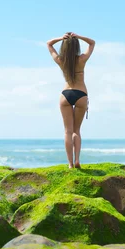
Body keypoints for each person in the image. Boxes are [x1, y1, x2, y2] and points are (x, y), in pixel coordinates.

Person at [47, 32, 95, 169]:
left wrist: (61, 38)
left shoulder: (61, 61)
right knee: (76, 131)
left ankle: (70, 164)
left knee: (67, 131)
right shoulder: (82, 59)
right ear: (76, 46)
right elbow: (92, 42)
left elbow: (49, 44)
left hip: (66, 94)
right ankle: (78, 160)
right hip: (81, 94)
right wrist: (78, 37)